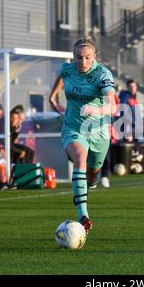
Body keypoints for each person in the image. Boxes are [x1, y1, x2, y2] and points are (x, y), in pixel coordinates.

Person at [49, 36, 116, 234]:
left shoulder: (103, 74)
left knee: (93, 172)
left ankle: (89, 184)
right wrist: (52, 96)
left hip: (99, 131)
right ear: (73, 57)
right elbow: (61, 76)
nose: (83, 62)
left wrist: (97, 111)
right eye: (79, 58)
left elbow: (112, 105)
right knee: (80, 157)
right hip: (73, 128)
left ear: (94, 56)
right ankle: (83, 215)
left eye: (87, 57)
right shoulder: (67, 70)